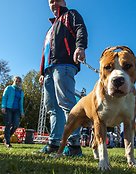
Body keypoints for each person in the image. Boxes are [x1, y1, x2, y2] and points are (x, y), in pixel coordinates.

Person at [38, 0, 88, 156]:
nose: (53, 3)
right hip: (48, 70)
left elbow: (81, 29)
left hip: (64, 64)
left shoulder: (71, 14)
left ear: (63, 1)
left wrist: (80, 47)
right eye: (50, 1)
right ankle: (54, 142)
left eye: (56, 0)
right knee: (52, 107)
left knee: (67, 103)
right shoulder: (50, 28)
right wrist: (42, 72)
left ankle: (74, 145)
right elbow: (45, 52)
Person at [1, 76, 25, 148]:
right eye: (16, 81)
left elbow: (21, 103)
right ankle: (7, 142)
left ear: (20, 82)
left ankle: (6, 138)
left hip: (17, 110)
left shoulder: (21, 92)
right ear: (14, 81)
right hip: (8, 108)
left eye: (19, 81)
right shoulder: (9, 88)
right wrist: (3, 106)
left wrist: (22, 112)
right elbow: (4, 97)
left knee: (16, 125)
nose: (17, 82)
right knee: (8, 124)